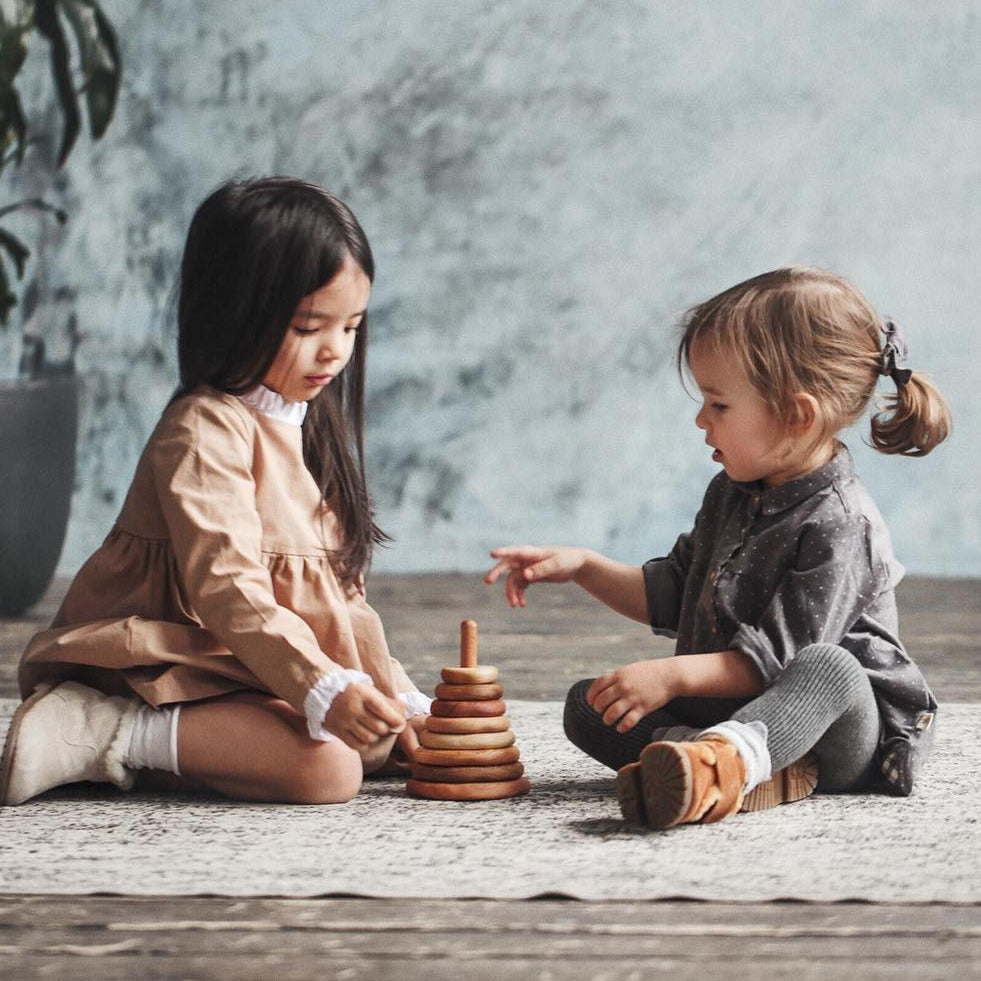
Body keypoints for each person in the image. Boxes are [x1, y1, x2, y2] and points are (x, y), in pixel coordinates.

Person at [1, 176, 430, 807]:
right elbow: (228, 588)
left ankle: (214, 738)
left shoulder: (304, 425)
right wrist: (321, 687)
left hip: (245, 665)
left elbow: (333, 601)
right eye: (310, 326)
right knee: (328, 772)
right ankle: (99, 727)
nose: (335, 352)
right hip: (162, 664)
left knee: (370, 749)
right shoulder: (204, 429)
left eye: (351, 326)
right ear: (236, 312)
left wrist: (397, 696)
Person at [485, 266, 950, 830]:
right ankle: (715, 764)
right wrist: (584, 567)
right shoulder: (730, 493)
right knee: (590, 704)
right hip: (736, 709)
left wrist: (672, 675)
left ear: (798, 416)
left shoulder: (841, 526)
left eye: (719, 405)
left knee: (829, 666)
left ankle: (726, 764)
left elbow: (770, 666)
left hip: (833, 733)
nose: (701, 419)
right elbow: (673, 593)